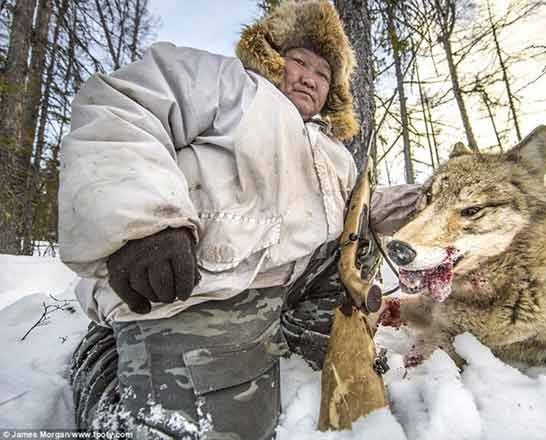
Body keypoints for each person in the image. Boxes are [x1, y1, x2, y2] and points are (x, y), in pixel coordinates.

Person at [60, 1, 419, 438]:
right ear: (272, 57)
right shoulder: (228, 83)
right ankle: (106, 356)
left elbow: (358, 212)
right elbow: (120, 106)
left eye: (323, 74)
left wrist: (433, 200)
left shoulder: (334, 153)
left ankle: (290, 343)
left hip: (285, 291)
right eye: (299, 61)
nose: (309, 77)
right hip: (193, 287)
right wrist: (145, 223)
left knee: (354, 244)